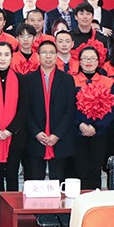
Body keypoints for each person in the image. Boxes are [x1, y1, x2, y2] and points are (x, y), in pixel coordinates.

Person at [0, 42, 26, 227]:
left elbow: (23, 109)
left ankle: (12, 214)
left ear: (12, 57)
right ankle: (0, 214)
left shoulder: (21, 80)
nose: (3, 58)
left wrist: (10, 130)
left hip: (14, 136)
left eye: (6, 54)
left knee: (11, 175)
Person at [23, 40, 76, 181]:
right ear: (38, 56)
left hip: (60, 139)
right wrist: (36, 132)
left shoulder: (67, 79)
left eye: (52, 52)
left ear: (56, 55)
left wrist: (56, 134)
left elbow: (70, 110)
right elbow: (25, 110)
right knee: (35, 181)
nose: (48, 56)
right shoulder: (28, 79)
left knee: (59, 181)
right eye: (44, 53)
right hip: (35, 138)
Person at [72, 46, 114, 190]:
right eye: (85, 58)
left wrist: (96, 126)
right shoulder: (71, 80)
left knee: (95, 170)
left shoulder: (108, 82)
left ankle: (94, 198)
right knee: (80, 170)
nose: (89, 62)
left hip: (100, 134)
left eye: (92, 58)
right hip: (77, 133)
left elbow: (113, 110)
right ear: (79, 61)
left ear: (98, 62)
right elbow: (67, 107)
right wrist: (79, 124)